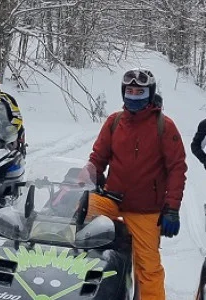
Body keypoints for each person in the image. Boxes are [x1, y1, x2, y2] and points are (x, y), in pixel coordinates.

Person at [85, 67, 187, 300]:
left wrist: (172, 208)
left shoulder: (164, 126)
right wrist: (81, 183)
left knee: (147, 266)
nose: (133, 96)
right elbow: (97, 158)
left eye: (139, 91)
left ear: (149, 94)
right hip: (112, 200)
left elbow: (177, 168)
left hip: (145, 209)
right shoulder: (115, 121)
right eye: (129, 91)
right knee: (75, 216)